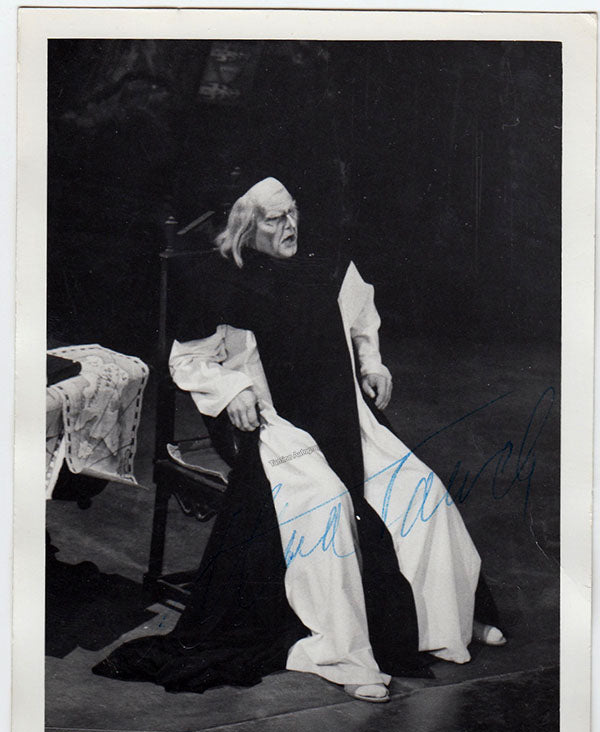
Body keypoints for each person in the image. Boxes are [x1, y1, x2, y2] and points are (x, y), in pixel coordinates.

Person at [94, 177, 505, 703]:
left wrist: (372, 363)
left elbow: (362, 317)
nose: (290, 226)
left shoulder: (325, 266)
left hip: (344, 418)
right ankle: (345, 654)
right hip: (271, 427)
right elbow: (188, 359)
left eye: (292, 213)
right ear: (247, 226)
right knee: (326, 504)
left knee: (420, 491)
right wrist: (233, 387)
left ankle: (447, 624)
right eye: (275, 219)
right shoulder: (223, 280)